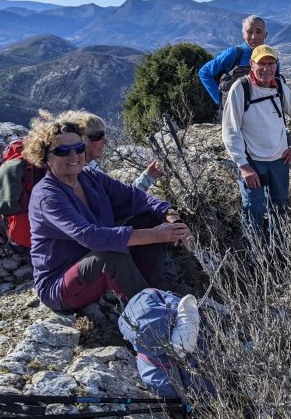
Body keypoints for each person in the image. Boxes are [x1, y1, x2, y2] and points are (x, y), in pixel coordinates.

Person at [24, 113, 191, 312]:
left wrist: (169, 214)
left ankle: (158, 291)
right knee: (111, 255)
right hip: (62, 285)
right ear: (45, 157)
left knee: (147, 218)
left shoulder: (89, 177)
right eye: (62, 151)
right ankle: (158, 318)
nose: (74, 156)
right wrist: (157, 235)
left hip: (95, 264)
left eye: (78, 148)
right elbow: (91, 237)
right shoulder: (47, 196)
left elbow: (134, 197)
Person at [221, 44, 291, 237]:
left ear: (276, 65)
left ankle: (279, 257)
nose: (267, 68)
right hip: (252, 163)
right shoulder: (241, 88)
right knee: (254, 210)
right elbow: (230, 129)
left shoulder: (280, 87)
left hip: (280, 160)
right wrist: (243, 166)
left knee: (280, 210)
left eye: (271, 63)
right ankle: (257, 260)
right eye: (262, 63)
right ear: (252, 64)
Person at [60, 110, 164, 192]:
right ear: (81, 140)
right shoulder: (78, 178)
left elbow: (121, 197)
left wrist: (148, 177)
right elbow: (120, 204)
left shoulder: (92, 167)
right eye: (98, 136)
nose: (105, 141)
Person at [198, 15, 268, 110]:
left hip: (258, 111)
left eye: (258, 32)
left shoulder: (270, 58)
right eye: (249, 32)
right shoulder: (234, 53)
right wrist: (220, 101)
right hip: (233, 110)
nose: (254, 36)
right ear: (243, 34)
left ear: (265, 35)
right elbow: (204, 72)